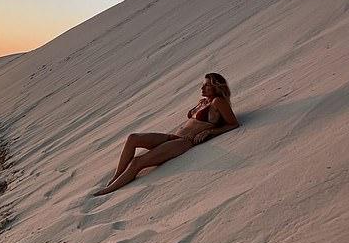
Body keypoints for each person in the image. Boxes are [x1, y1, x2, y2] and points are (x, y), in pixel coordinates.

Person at [92, 72, 239, 196]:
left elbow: (233, 124)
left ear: (216, 87)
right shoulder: (203, 101)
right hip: (173, 136)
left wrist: (209, 131)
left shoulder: (218, 102)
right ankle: (117, 176)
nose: (202, 87)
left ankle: (109, 190)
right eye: (203, 84)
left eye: (207, 85)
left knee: (138, 162)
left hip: (183, 143)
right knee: (133, 138)